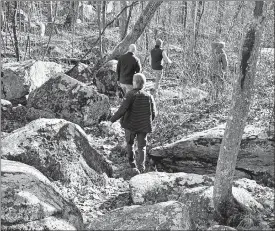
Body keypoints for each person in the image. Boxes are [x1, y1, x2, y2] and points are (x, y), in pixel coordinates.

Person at [110, 73, 156, 174]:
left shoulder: (130, 94)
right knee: (142, 147)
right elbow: (154, 113)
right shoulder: (149, 96)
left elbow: (122, 110)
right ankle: (141, 168)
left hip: (130, 125)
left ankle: (132, 164)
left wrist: (111, 120)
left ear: (134, 83)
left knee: (130, 144)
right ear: (144, 84)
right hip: (143, 126)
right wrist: (147, 122)